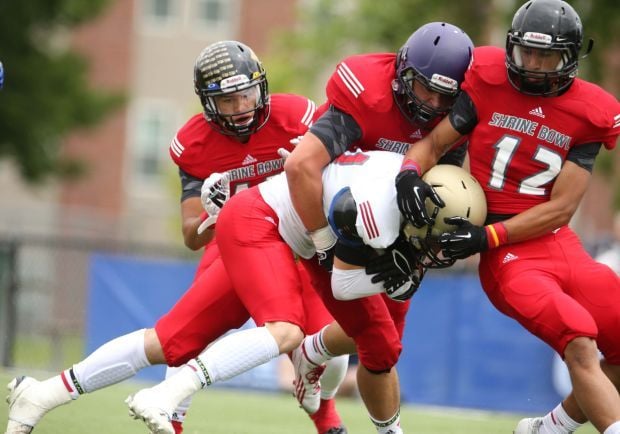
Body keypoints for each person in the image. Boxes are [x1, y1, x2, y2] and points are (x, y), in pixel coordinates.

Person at [5, 40, 349, 434]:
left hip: (304, 243)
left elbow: (338, 174)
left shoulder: (298, 115)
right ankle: (47, 395)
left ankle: (326, 417)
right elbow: (192, 235)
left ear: (262, 87)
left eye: (246, 95)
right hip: (242, 243)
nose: (240, 108)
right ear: (207, 103)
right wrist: (213, 214)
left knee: (333, 343)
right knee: (176, 342)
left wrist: (308, 170)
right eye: (228, 100)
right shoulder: (196, 145)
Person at [125, 150, 484, 434]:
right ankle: (166, 394)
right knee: (282, 330)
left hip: (306, 240)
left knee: (382, 343)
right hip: (264, 221)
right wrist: (396, 275)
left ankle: (318, 364)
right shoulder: (380, 216)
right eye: (436, 238)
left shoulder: (405, 187)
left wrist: (404, 272)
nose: (438, 250)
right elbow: (343, 285)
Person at [394, 1, 620, 433]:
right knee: (578, 340)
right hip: (509, 258)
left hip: (551, 240)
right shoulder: (488, 79)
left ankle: (547, 429)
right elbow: (435, 145)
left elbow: (561, 209)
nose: (533, 66)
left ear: (570, 58)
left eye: (546, 56)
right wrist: (409, 172)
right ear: (511, 48)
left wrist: (488, 236)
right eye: (526, 53)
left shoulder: (592, 112)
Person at [283, 22, 474, 433]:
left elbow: (440, 198)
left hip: (391, 234)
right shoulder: (366, 89)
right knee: (380, 345)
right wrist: (323, 243)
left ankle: (310, 352)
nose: (432, 101)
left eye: (445, 95)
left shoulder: (454, 123)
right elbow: (301, 166)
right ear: (403, 72)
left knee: (384, 343)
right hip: (331, 223)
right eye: (425, 88)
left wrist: (422, 255)